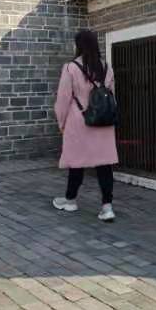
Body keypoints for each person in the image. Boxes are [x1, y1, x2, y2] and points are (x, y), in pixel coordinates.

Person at [53, 29, 118, 221]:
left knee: (76, 162)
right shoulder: (106, 67)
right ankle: (107, 207)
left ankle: (70, 200)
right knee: (105, 165)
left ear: (79, 45)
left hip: (78, 121)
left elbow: (63, 99)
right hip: (103, 123)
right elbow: (112, 96)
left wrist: (61, 122)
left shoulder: (71, 68)